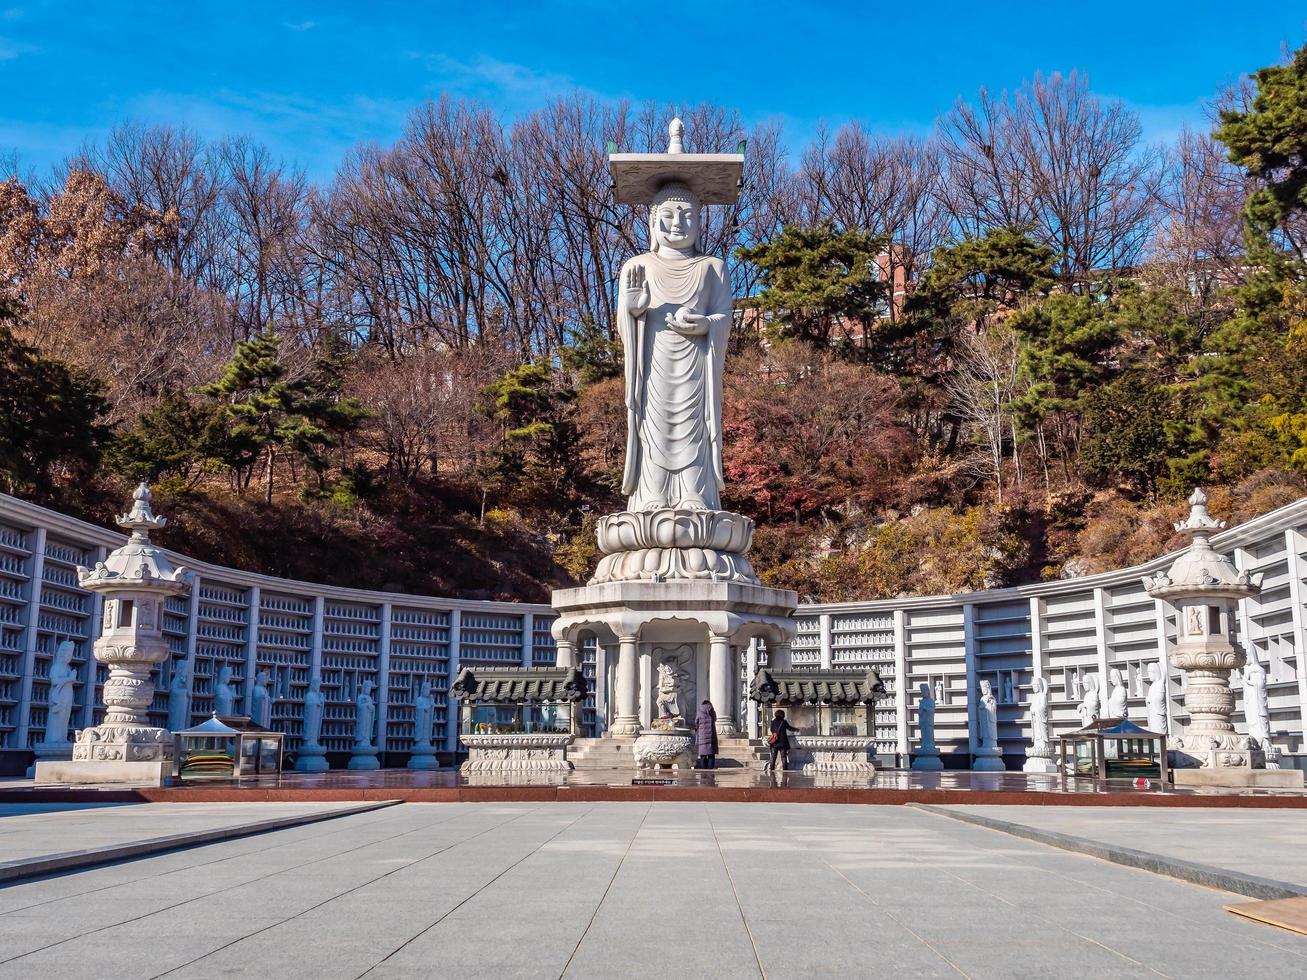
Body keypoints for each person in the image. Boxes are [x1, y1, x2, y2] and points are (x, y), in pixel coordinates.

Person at [696, 699, 718, 769]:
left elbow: (696, 721)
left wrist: (697, 728)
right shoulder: (712, 711)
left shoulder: (699, 712)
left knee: (703, 754)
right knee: (711, 754)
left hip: (702, 735)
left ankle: (703, 769)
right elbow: (715, 719)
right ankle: (710, 769)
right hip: (711, 735)